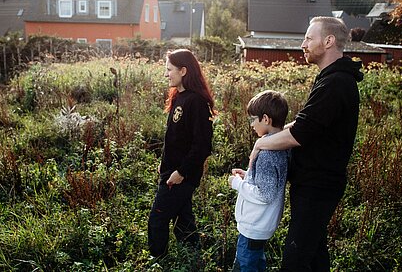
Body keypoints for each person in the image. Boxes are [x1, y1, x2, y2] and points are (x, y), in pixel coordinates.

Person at [248, 16, 364, 271]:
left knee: (295, 259)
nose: (304, 44)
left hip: (319, 187)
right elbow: (305, 123)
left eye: (309, 38)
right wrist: (270, 137)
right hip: (311, 184)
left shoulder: (336, 83)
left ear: (329, 41)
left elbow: (298, 134)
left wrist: (260, 145)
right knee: (314, 255)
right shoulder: (330, 78)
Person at [148, 49, 215, 258]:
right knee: (183, 219)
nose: (166, 74)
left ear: (183, 70)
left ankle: (158, 260)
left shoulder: (196, 102)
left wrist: (181, 172)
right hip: (171, 171)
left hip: (180, 176)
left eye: (169, 69)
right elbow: (176, 138)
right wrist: (164, 162)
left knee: (157, 219)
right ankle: (193, 258)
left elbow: (202, 146)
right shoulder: (179, 96)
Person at [229, 90, 289, 272]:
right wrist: (248, 176)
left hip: (253, 226)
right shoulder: (282, 146)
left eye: (252, 119)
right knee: (256, 262)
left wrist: (237, 184)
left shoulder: (267, 154)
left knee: (244, 265)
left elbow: (264, 194)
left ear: (265, 119)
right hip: (262, 224)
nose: (251, 125)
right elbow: (269, 181)